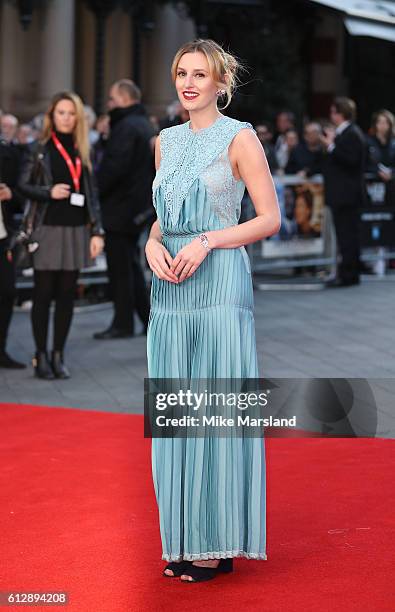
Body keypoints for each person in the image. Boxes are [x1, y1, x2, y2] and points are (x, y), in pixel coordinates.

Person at [145, 39, 280, 582]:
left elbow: (268, 218)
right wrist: (150, 244)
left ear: (221, 82)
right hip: (171, 288)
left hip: (219, 283)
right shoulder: (165, 140)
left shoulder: (240, 136)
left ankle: (217, 541)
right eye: (181, 72)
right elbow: (160, 216)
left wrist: (208, 241)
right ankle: (182, 538)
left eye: (200, 73)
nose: (189, 81)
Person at [18, 91, 104, 379]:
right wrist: (48, 192)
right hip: (47, 227)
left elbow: (92, 195)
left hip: (77, 229)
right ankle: (40, 355)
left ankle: (58, 355)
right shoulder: (39, 148)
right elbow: (22, 185)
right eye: (61, 113)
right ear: (52, 116)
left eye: (71, 113)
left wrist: (97, 231)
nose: (66, 118)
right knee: (43, 294)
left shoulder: (83, 149)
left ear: (77, 117)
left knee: (67, 295)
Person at [93, 79, 155, 340]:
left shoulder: (126, 126)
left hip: (121, 208)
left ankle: (123, 323)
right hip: (135, 206)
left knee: (120, 269)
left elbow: (114, 168)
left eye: (111, 99)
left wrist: (94, 192)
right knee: (130, 266)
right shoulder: (143, 124)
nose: (108, 104)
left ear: (122, 99)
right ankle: (145, 318)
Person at [321, 97, 366, 287]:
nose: (331, 116)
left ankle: (349, 275)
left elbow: (351, 161)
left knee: (348, 236)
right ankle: (348, 273)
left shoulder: (351, 133)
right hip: (343, 195)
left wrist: (331, 146)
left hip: (347, 196)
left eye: (333, 112)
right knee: (345, 236)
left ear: (341, 113)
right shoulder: (346, 133)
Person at [0, 137, 26, 369]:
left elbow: (23, 193)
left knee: (7, 292)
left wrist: (11, 194)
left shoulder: (9, 153)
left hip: (2, 237)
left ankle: (1, 350)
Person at [366, 109, 395, 206]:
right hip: (372, 185)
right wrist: (377, 171)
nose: (383, 125)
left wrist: (392, 173)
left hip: (391, 185)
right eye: (380, 122)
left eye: (385, 122)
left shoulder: (393, 143)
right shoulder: (367, 142)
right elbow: (364, 162)